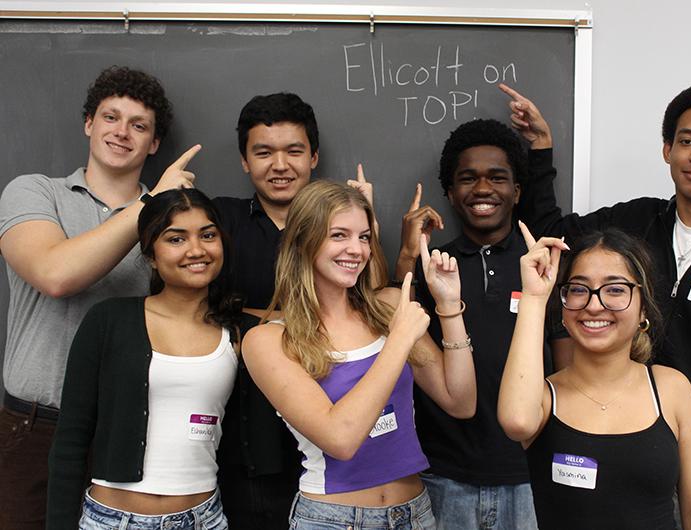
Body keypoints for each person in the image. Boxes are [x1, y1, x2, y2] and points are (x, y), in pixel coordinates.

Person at [507, 81, 691, 529]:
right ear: (667, 149)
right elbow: (549, 238)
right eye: (686, 141)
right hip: (620, 459)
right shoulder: (636, 222)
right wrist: (542, 151)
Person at [0, 65, 198, 529]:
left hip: (126, 429)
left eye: (139, 125)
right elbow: (55, 274)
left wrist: (162, 210)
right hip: (33, 428)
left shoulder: (173, 220)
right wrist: (151, 207)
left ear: (153, 144)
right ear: (89, 123)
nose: (122, 132)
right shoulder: (33, 192)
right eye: (111, 117)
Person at [243, 180, 477, 529]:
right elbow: (340, 439)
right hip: (334, 519)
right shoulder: (269, 340)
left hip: (415, 513)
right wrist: (397, 342)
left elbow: (460, 401)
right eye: (339, 235)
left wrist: (448, 307)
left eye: (364, 237)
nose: (356, 249)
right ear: (304, 241)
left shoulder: (388, 306)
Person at [394, 117, 568, 529]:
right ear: (451, 194)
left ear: (517, 191)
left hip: (530, 479)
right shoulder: (430, 270)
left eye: (498, 178)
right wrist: (405, 260)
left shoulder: (543, 269)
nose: (484, 189)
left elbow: (567, 373)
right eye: (468, 178)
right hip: (442, 477)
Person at [213, 93, 378, 528]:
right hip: (249, 431)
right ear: (245, 161)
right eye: (263, 152)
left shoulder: (348, 232)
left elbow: (371, 305)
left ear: (314, 157)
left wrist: (367, 223)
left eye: (294, 151)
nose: (279, 165)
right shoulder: (222, 221)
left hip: (340, 425)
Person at [47, 188, 250, 529]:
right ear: (151, 254)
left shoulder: (242, 332)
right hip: (111, 520)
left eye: (208, 235)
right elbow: (70, 440)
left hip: (203, 518)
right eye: (176, 239)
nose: (196, 250)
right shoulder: (108, 320)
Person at [498, 226, 691, 530]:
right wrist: (534, 299)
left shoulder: (671, 389)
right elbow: (517, 421)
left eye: (615, 289)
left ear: (643, 308)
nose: (594, 304)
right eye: (578, 289)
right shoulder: (545, 398)